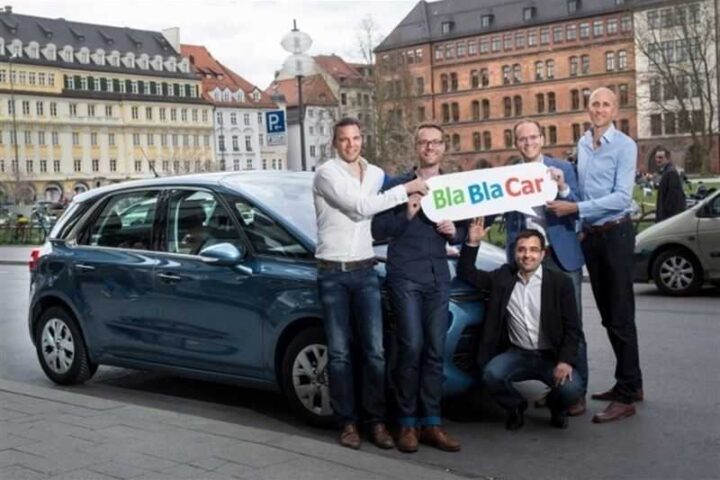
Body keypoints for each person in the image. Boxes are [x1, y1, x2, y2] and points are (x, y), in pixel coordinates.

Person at [313, 117, 428, 449]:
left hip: (365, 271)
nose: (351, 144)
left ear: (363, 139)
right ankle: (347, 423)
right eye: (344, 139)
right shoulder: (327, 173)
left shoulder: (376, 174)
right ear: (335, 143)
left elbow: (399, 188)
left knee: (375, 352)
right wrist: (407, 189)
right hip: (333, 272)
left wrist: (422, 183)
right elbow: (361, 207)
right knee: (339, 354)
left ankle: (375, 422)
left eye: (356, 138)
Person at [547, 87, 643, 423]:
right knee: (608, 315)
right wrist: (575, 212)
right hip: (593, 236)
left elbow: (621, 197)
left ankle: (627, 395)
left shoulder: (625, 146)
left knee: (621, 315)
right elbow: (583, 190)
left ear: (615, 110)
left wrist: (576, 208)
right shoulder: (584, 144)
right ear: (588, 109)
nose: (599, 109)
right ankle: (631, 382)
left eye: (605, 104)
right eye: (594, 104)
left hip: (616, 233)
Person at [372, 123, 463, 453]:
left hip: (438, 276)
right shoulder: (397, 185)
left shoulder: (453, 186)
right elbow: (378, 229)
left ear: (443, 147)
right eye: (424, 142)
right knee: (411, 347)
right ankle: (407, 424)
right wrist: (406, 215)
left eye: (435, 142)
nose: (430, 147)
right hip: (405, 276)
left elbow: (466, 229)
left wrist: (455, 232)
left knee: (435, 352)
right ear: (416, 147)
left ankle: (432, 424)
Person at [489, 119, 588, 417]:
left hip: (559, 254)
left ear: (542, 139)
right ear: (515, 143)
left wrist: (563, 187)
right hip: (526, 257)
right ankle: (552, 384)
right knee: (533, 320)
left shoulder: (562, 168)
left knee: (572, 325)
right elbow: (492, 211)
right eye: (522, 138)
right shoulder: (508, 175)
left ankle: (576, 393)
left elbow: (579, 207)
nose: (528, 142)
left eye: (533, 137)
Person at [457, 224, 583, 430]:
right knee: (491, 375)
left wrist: (565, 361)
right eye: (522, 249)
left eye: (533, 250)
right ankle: (515, 407)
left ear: (543, 254)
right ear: (515, 253)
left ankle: (556, 407)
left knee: (572, 388)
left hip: (550, 356)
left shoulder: (560, 283)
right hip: (517, 353)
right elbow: (466, 273)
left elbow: (572, 328)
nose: (527, 255)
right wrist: (473, 242)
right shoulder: (503, 277)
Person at [653, 147, 685, 222]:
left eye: (660, 157)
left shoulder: (671, 173)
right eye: (656, 157)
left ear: (668, 158)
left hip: (668, 216)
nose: (658, 160)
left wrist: (666, 216)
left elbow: (673, 198)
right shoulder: (666, 171)